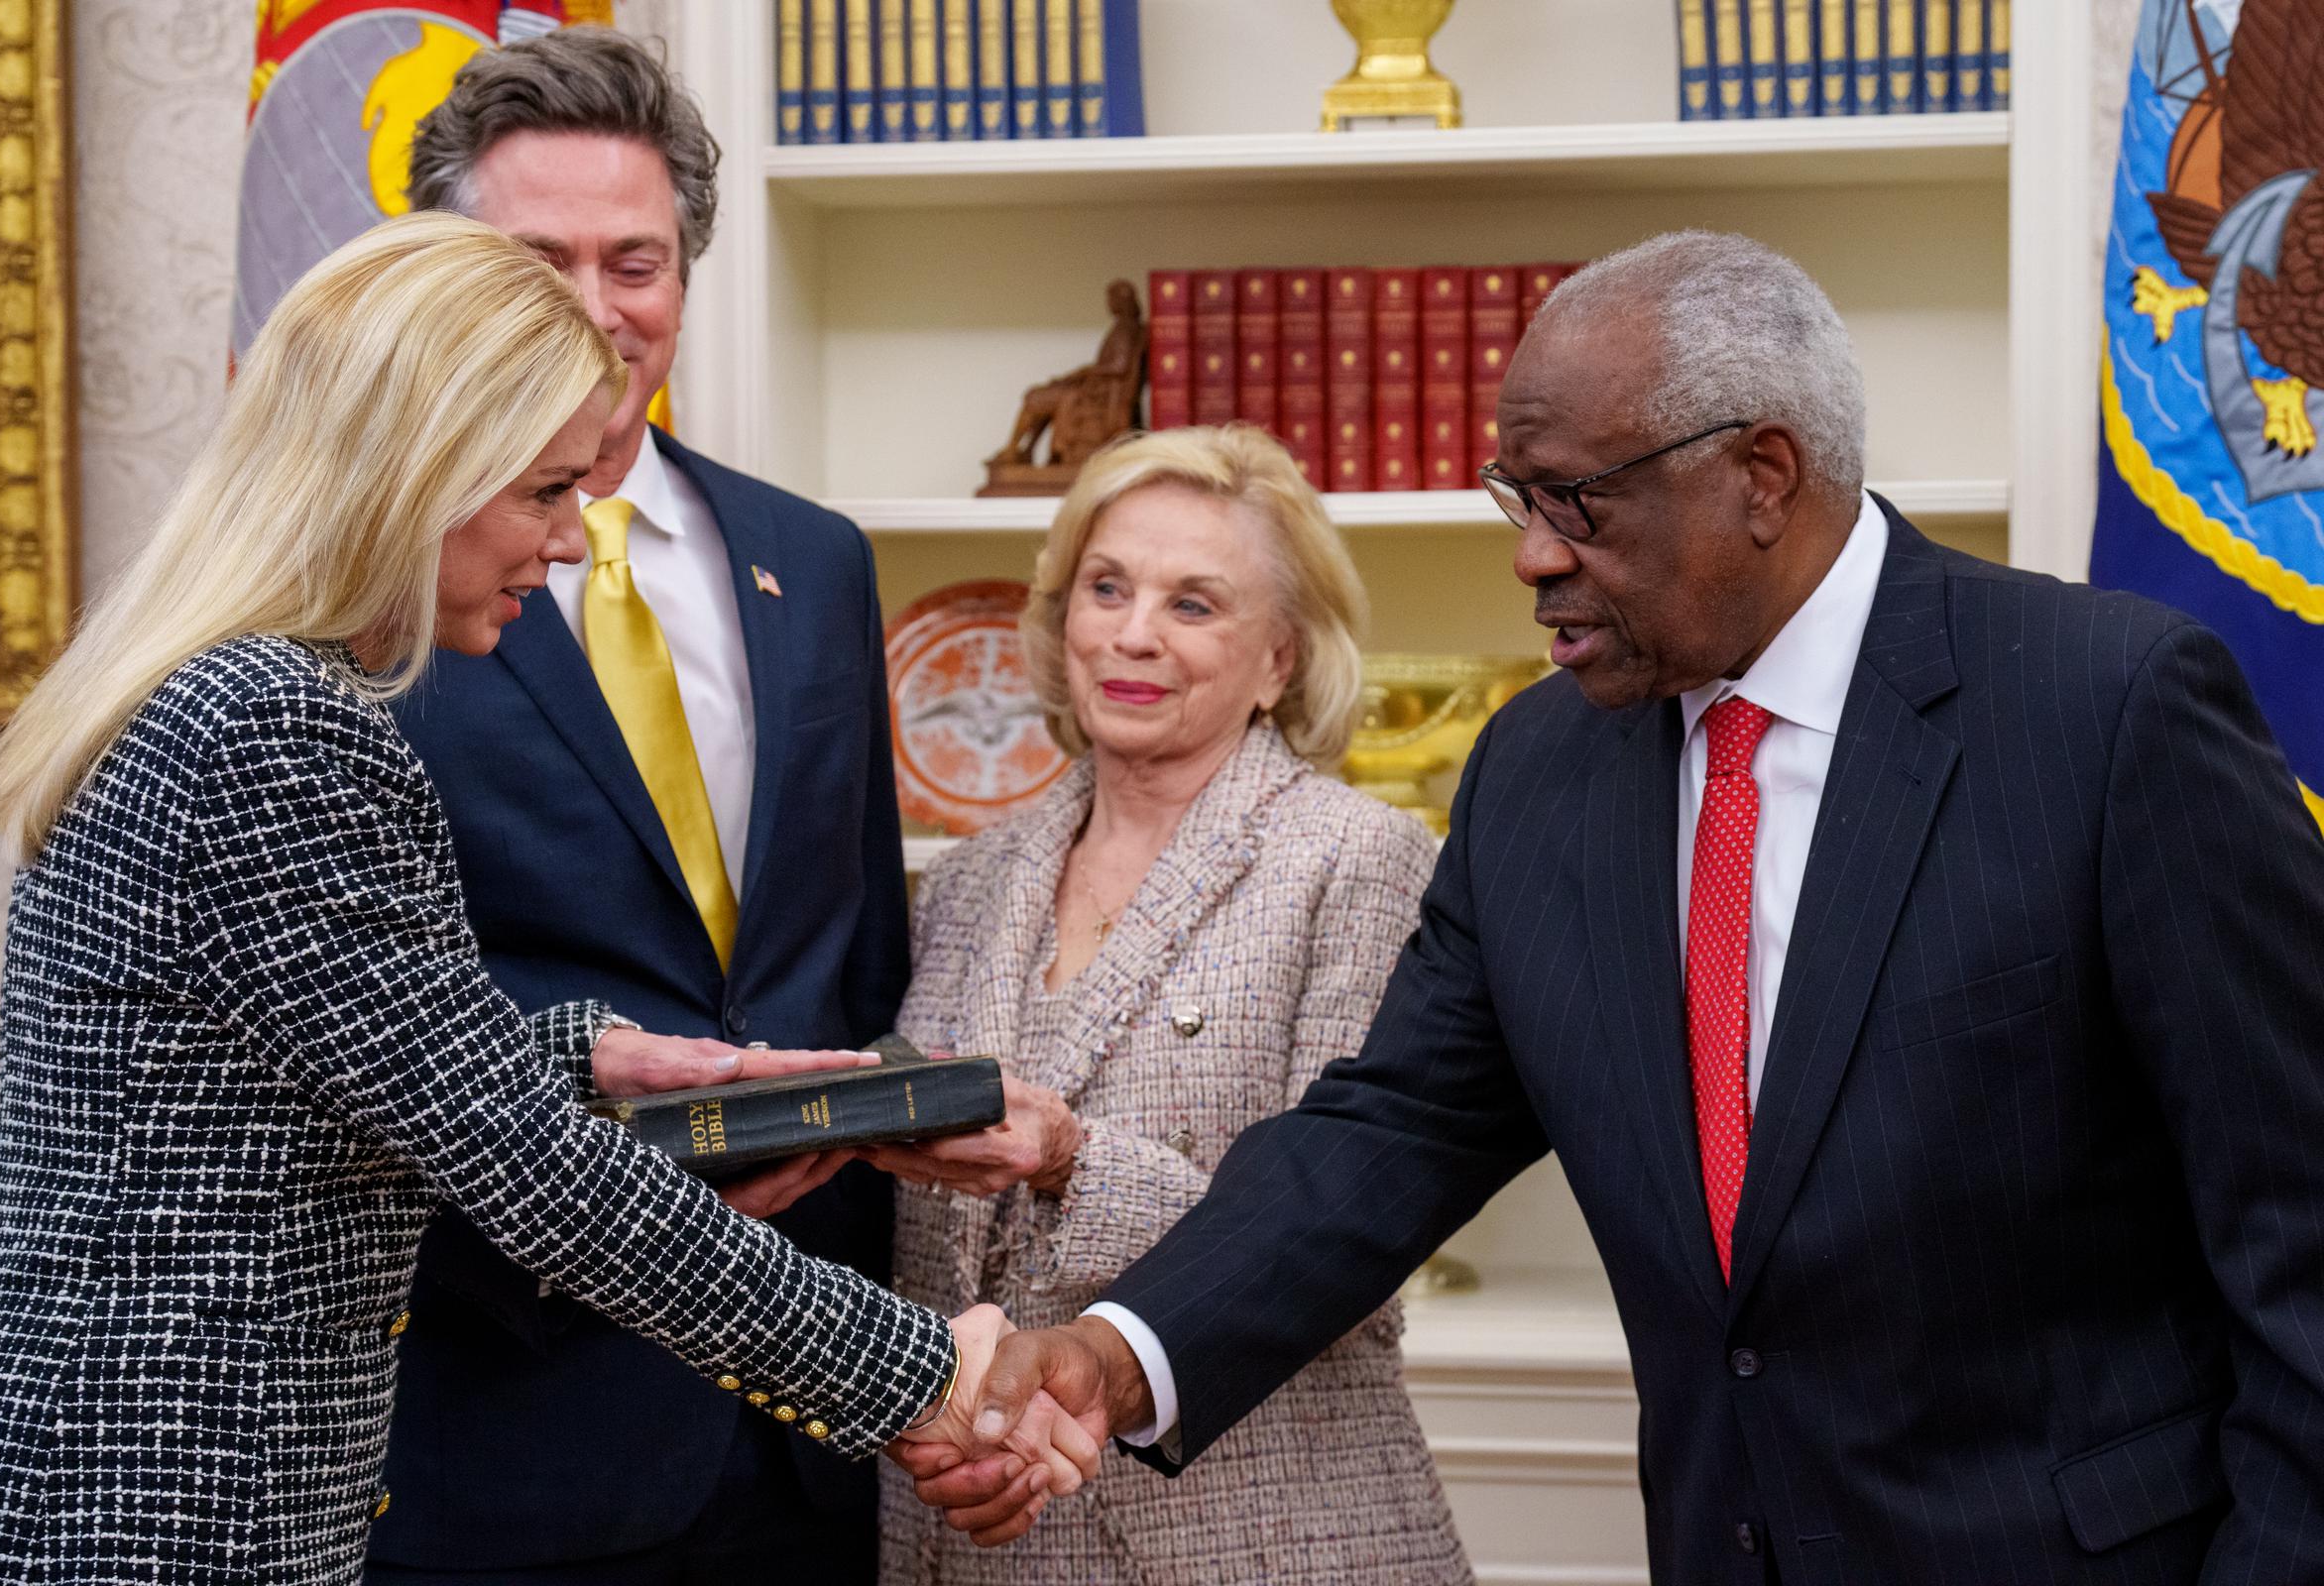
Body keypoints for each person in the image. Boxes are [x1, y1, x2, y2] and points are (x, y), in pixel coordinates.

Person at [924, 231, 2324, 1583]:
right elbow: (1396, 1127)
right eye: (1516, 501)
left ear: (1761, 476)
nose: (1531, 557)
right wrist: (1114, 1354)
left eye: (1574, 502)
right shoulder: (1540, 767)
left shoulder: (2107, 710)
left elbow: (2299, 1231)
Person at [0, 213, 1096, 1586]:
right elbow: (529, 1171)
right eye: (547, 491)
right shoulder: (276, 730)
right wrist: (919, 1374)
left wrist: (587, 1053)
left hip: (127, 1493)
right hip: (155, 1519)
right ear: (413, 471)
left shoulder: (230, 691)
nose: (566, 542)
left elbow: (285, 1058)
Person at [370, 29, 914, 1584]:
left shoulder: (815, 560)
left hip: (805, 1430)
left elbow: (856, 956)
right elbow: (369, 1043)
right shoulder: (367, 591)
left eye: (636, 262)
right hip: (501, 1422)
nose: (597, 310)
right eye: (538, 262)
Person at [872, 425, 1469, 1584]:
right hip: (969, 1526)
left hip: (1247, 1536)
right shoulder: (965, 879)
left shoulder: (1361, 861)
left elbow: (1355, 1240)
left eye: (1193, 604)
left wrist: (1073, 1160)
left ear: (1280, 659)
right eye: (1106, 588)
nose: (1133, 633)